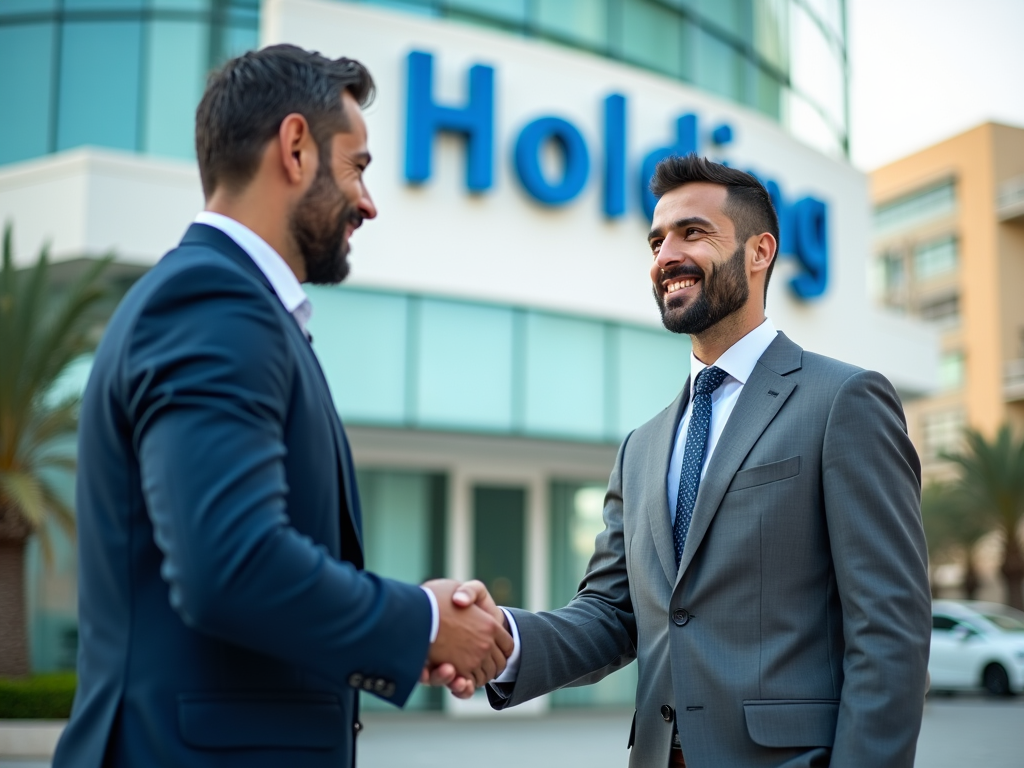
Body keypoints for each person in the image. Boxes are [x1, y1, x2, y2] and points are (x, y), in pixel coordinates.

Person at [52, 45, 511, 768]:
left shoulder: (229, 303)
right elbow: (229, 562)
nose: (369, 201)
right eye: (358, 166)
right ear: (295, 147)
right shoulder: (213, 301)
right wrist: (421, 624)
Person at [439, 155, 932, 768]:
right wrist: (503, 640)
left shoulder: (843, 402)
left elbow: (889, 629)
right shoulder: (641, 447)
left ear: (760, 252)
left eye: (692, 233)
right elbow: (612, 615)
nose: (665, 255)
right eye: (656, 240)